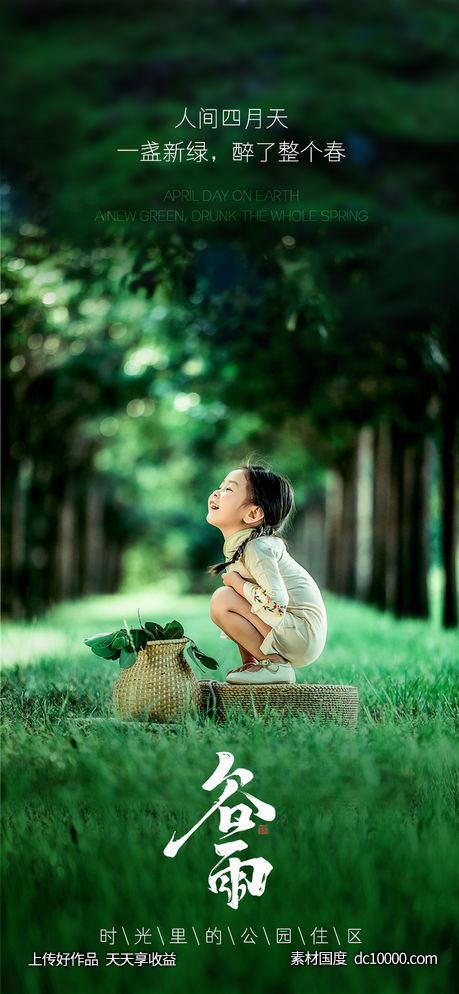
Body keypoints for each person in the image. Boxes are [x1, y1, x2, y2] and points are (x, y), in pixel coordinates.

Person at [206, 462, 327, 684]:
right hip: (292, 632)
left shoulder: (257, 547)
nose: (217, 493)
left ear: (253, 513)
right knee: (227, 598)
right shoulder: (243, 547)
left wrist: (238, 584)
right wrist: (248, 664)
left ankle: (274, 665)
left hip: (301, 633)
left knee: (223, 598)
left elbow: (276, 602)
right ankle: (259, 664)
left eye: (228, 489)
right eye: (220, 486)